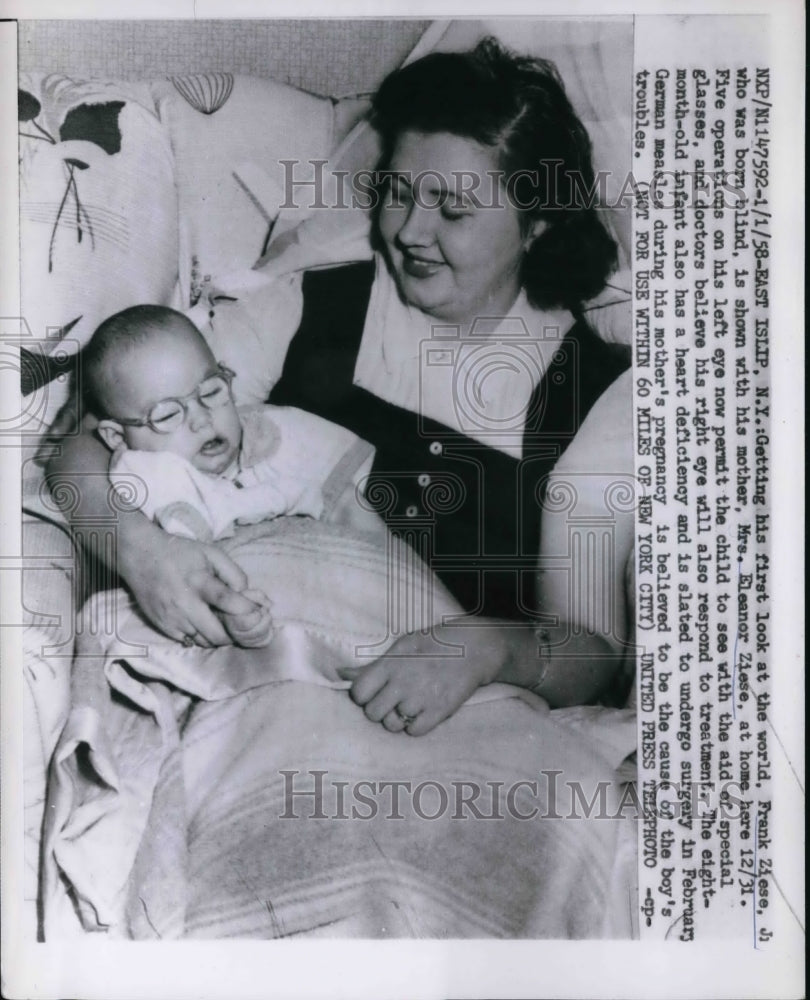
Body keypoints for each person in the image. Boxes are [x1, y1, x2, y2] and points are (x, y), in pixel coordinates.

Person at [48, 37, 634, 735]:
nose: (411, 232)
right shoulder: (309, 306)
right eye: (399, 193)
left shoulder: (597, 398)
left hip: (443, 727)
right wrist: (140, 552)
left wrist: (489, 648)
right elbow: (81, 449)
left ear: (536, 223)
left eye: (452, 211)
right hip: (243, 684)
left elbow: (591, 652)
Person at [80, 303, 375, 646]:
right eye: (167, 415)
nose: (202, 419)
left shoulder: (272, 437)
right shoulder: (144, 483)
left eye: (211, 392)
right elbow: (185, 588)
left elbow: (357, 517)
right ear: (118, 437)